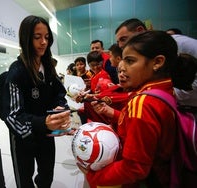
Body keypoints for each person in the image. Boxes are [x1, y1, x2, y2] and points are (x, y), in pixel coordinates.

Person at [78, 30, 183, 187]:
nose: (122, 67)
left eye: (130, 61)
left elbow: (134, 168)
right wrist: (112, 114)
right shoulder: (166, 91)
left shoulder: (142, 102)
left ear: (157, 62)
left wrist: (95, 177)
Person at [4, 15, 71, 188]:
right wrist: (43, 122)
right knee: (25, 179)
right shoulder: (16, 72)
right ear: (26, 38)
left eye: (47, 37)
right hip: (23, 136)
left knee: (47, 174)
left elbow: (59, 91)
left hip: (46, 133)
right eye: (37, 37)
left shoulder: (48, 67)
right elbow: (12, 116)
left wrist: (61, 108)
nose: (44, 42)